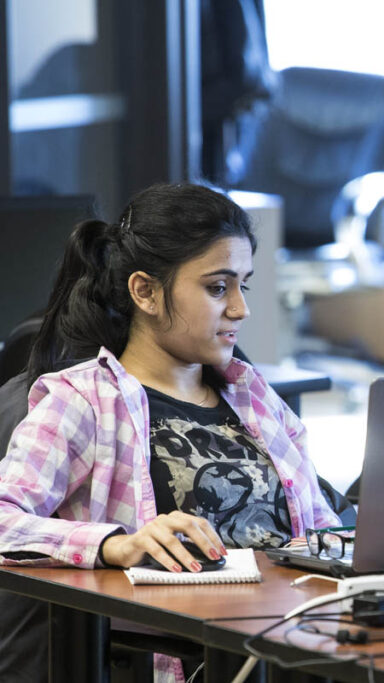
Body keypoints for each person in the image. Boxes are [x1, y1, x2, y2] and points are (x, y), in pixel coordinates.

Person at [0, 183, 342, 682]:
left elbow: (322, 531)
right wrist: (115, 544)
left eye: (243, 285)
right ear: (145, 291)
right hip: (197, 661)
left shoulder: (255, 397)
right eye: (217, 287)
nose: (240, 309)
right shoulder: (85, 401)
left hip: (295, 645)